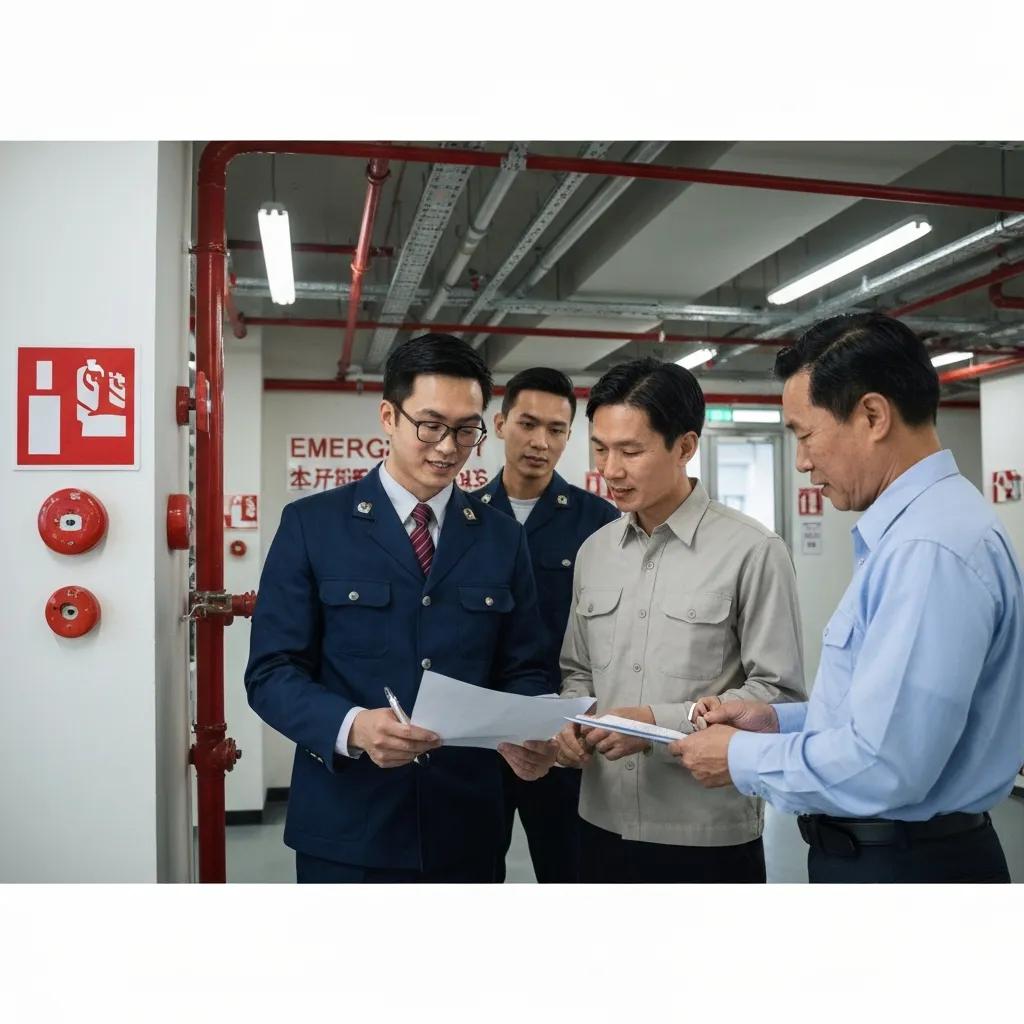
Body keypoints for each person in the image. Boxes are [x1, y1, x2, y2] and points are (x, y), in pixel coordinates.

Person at [673, 312, 1024, 883]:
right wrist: (776, 722)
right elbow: (884, 719)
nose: (803, 462)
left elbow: (887, 764)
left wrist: (739, 757)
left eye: (805, 435)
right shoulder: (920, 533)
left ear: (872, 416)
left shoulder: (927, 548)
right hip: (896, 856)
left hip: (907, 869)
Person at [245, 333, 555, 884]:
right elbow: (271, 673)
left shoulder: (502, 539)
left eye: (466, 429)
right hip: (347, 823)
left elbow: (526, 665)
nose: (447, 446)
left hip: (467, 827)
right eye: (430, 425)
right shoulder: (313, 526)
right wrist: (353, 727)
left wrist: (528, 727)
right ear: (389, 416)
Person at [553, 356, 805, 883]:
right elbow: (577, 671)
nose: (610, 470)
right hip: (598, 822)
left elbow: (779, 696)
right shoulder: (595, 552)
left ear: (685, 447)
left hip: (704, 834)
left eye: (631, 450)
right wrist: (572, 723)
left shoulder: (753, 550)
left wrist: (659, 724)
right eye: (600, 448)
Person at [474, 367, 620, 883]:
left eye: (557, 430)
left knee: (571, 877)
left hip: (562, 738)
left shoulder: (599, 523)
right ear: (499, 423)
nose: (540, 442)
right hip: (480, 738)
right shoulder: (467, 518)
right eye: (527, 424)